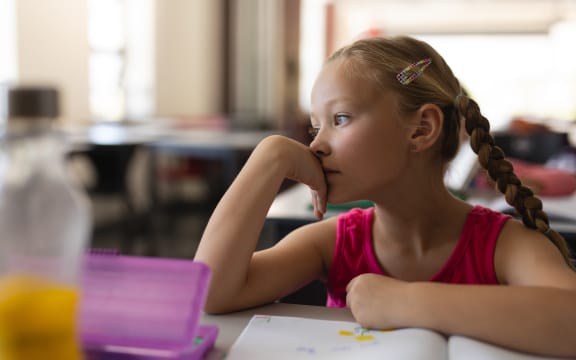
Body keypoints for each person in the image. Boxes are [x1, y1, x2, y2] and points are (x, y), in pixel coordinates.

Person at [194, 36, 576, 357]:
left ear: (421, 129)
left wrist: (405, 302)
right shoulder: (333, 242)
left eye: (340, 119)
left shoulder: (504, 245)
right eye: (315, 128)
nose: (317, 145)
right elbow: (210, 295)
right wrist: (269, 157)